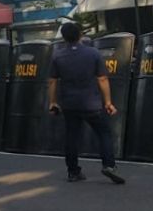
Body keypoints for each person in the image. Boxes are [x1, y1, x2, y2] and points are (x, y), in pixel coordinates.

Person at [49, 21, 126, 184]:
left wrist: (53, 102)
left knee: (72, 137)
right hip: (92, 103)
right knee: (103, 133)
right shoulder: (93, 53)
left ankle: (73, 171)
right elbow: (103, 78)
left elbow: (52, 81)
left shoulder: (57, 55)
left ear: (63, 38)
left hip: (69, 103)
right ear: (81, 35)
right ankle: (109, 166)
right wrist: (108, 102)